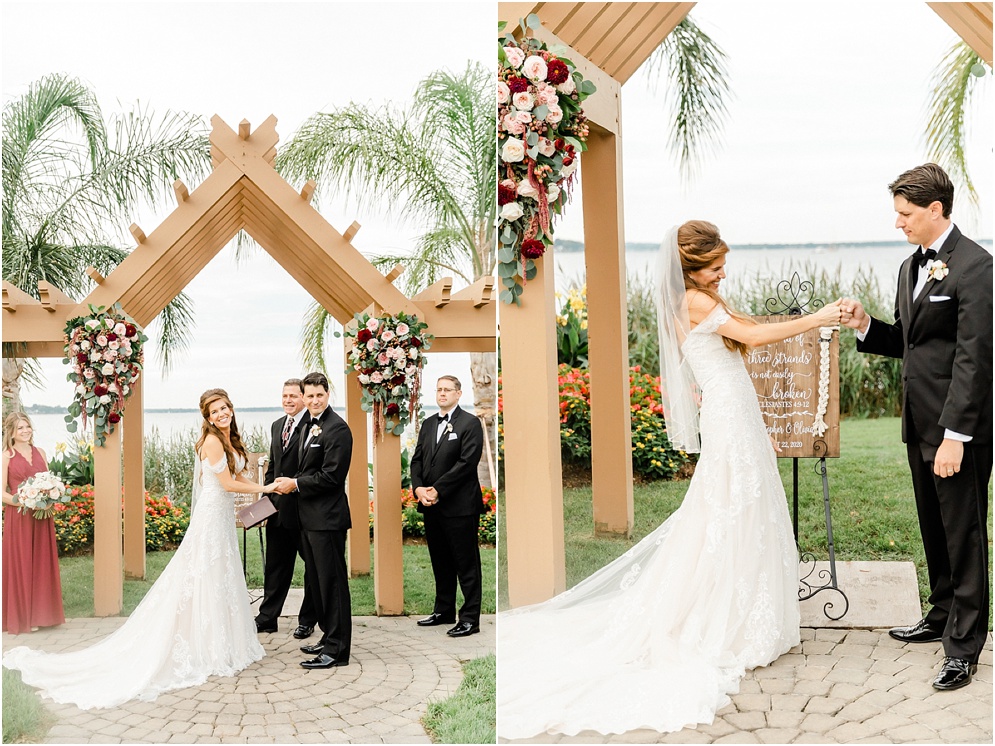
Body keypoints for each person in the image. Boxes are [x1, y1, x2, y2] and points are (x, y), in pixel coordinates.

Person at [497, 220, 843, 738]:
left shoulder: (695, 301)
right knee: (728, 509)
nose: (723, 273)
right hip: (727, 412)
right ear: (691, 268)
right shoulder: (697, 304)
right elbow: (752, 336)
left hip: (733, 409)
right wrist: (818, 317)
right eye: (715, 266)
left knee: (733, 508)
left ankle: (747, 612)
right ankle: (727, 619)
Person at [3, 389, 273, 709]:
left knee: (220, 575)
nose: (222, 413)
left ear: (231, 408)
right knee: (203, 573)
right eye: (215, 410)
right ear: (207, 416)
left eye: (225, 407)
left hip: (221, 517)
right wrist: (266, 488)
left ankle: (223, 641)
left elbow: (238, 473)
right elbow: (227, 484)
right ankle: (205, 645)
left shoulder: (231, 439)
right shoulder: (212, 441)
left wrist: (265, 477)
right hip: (212, 515)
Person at [841, 163, 992, 692]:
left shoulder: (976, 267)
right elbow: (907, 340)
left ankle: (965, 646)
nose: (898, 223)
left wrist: (955, 434)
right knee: (934, 525)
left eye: (905, 214)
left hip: (956, 430)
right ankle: (941, 613)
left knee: (964, 532)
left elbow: (975, 360)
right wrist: (865, 325)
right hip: (917, 423)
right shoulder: (910, 268)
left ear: (935, 210)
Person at [274, 371, 353, 669]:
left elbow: (332, 477)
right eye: (309, 396)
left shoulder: (338, 429)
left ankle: (337, 650)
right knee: (319, 584)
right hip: (307, 519)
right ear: (303, 397)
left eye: (319, 395)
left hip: (327, 520)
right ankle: (327, 636)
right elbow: (304, 465)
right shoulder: (308, 424)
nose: (314, 400)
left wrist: (294, 484)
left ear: (327, 395)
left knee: (332, 584)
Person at [410, 375, 486, 638]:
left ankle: (469, 618)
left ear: (458, 393)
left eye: (447, 390)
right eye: (439, 389)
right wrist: (419, 488)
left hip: (460, 506)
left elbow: (467, 463)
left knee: (466, 563)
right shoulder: (429, 424)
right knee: (440, 560)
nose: (442, 394)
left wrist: (438, 489)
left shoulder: (470, 423)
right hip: (430, 505)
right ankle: (443, 610)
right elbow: (417, 459)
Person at [255, 378, 317, 639]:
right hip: (278, 511)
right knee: (276, 567)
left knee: (313, 566)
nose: (288, 400)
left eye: (293, 395)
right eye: (284, 396)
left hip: (305, 512)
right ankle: (267, 618)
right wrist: (266, 501)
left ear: (304, 398)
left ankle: (308, 620)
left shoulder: (314, 426)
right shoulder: (277, 425)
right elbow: (273, 470)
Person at [2, 412, 65, 634]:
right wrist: (25, 501)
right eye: (20, 428)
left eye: (27, 427)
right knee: (22, 562)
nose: (25, 431)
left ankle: (44, 615)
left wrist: (49, 499)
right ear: (11, 431)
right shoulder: (6, 456)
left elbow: (49, 483)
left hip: (42, 516)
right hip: (19, 517)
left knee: (41, 562)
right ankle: (24, 617)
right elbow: (2, 493)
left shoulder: (41, 452)